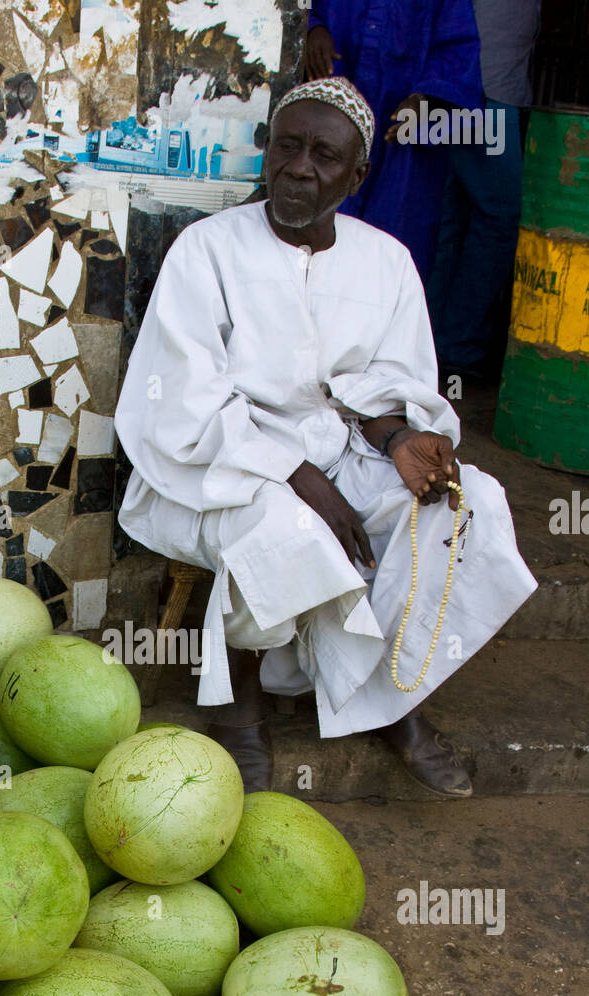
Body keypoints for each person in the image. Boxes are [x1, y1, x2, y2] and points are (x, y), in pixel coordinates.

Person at [114, 78, 537, 797]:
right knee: (284, 524)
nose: (300, 167)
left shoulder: (386, 261)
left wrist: (401, 439)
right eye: (288, 146)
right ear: (267, 151)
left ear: (356, 174)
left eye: (324, 154)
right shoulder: (207, 250)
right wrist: (298, 476)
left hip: (344, 450)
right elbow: (183, 401)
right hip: (215, 459)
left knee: (470, 505)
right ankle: (238, 704)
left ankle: (391, 695)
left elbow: (385, 383)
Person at [304, 1, 483, 282]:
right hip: (325, 121)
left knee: (391, 261)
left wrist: (425, 99)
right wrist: (311, 29)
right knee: (311, 252)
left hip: (402, 143)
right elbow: (286, 11)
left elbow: (457, 51)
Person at [426, 0, 543, 379]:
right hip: (481, 90)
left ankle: (430, 340)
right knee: (499, 214)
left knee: (454, 217)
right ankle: (455, 344)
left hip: (477, 85)